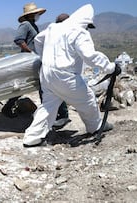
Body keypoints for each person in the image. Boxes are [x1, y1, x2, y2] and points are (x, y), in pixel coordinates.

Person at [23, 4, 120, 147]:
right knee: (87, 99)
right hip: (65, 76)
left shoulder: (53, 28)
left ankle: (31, 138)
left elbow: (38, 40)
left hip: (47, 74)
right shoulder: (79, 32)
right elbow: (90, 56)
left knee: (48, 106)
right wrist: (110, 67)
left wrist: (45, 58)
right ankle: (96, 127)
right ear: (85, 21)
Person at [8, 2, 70, 129]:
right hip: (30, 61)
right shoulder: (26, 25)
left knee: (37, 86)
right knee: (45, 86)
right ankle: (54, 114)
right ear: (31, 14)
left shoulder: (33, 25)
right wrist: (31, 53)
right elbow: (19, 39)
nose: (37, 16)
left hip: (35, 60)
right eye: (36, 14)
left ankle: (9, 107)